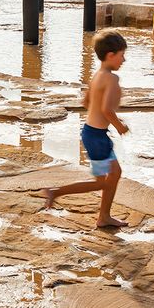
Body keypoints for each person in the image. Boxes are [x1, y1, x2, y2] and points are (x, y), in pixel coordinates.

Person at [41, 30, 130, 229]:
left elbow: (85, 102)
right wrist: (120, 126)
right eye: (122, 55)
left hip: (92, 133)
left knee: (111, 175)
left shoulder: (97, 75)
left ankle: (104, 216)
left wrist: (101, 112)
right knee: (104, 181)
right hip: (97, 137)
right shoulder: (112, 79)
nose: (124, 60)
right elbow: (106, 109)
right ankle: (56, 193)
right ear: (110, 55)